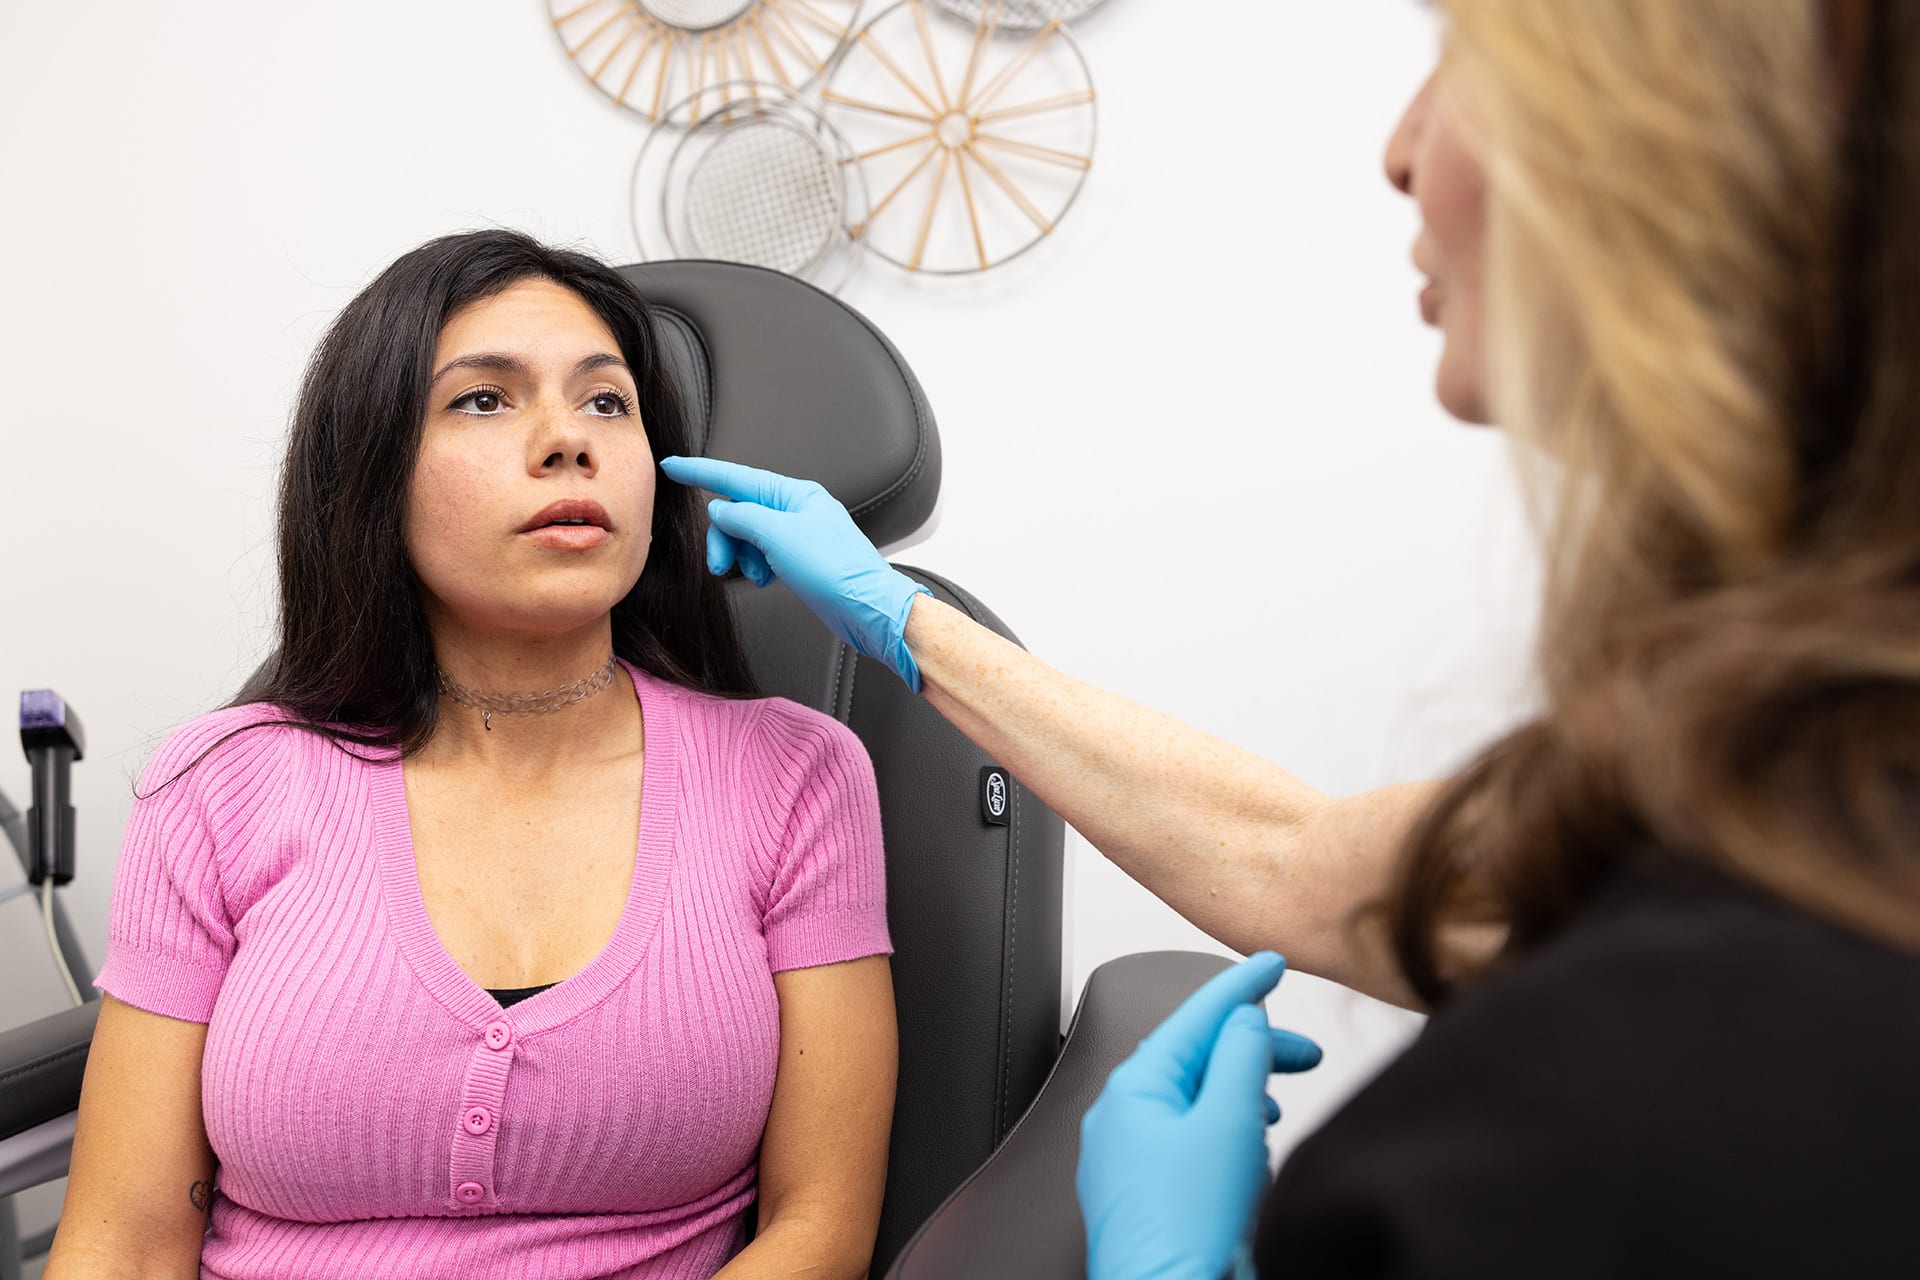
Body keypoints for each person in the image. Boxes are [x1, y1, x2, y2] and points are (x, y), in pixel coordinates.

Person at [657, 0, 1920, 1274]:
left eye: (1466, 76)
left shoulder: (1741, 975)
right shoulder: (1760, 765)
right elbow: (1296, 857)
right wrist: (903, 618)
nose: (1400, 150)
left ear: (1692, 152)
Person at [46, 231, 897, 1280]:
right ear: (372, 474)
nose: (567, 440)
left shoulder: (797, 776)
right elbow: (122, 1244)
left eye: (607, 403)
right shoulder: (217, 788)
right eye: (483, 400)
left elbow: (819, 1228)